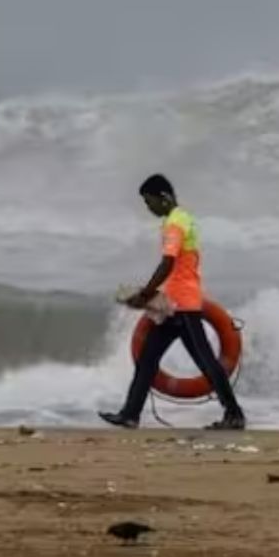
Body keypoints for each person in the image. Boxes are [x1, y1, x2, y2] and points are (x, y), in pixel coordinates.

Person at [99, 174, 246, 430]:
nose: (149, 208)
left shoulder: (175, 224)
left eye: (150, 202)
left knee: (206, 362)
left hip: (184, 305)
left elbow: (167, 263)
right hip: (174, 306)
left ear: (164, 198)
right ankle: (130, 414)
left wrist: (145, 293)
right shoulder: (184, 218)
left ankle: (234, 414)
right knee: (147, 359)